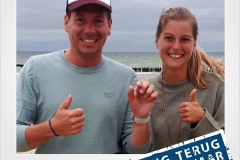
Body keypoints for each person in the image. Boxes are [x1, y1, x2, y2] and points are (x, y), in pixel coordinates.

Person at [16, 0, 158, 154]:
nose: (89, 30)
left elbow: (136, 151)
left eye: (97, 21)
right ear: (66, 22)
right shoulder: (35, 69)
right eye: (80, 20)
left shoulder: (126, 78)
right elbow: (12, 139)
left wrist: (141, 119)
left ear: (109, 25)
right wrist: (52, 128)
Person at [148, 7, 224, 151]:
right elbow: (136, 151)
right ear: (157, 41)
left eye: (184, 39)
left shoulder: (217, 87)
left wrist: (202, 119)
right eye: (169, 38)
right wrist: (139, 117)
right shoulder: (146, 92)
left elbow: (229, 149)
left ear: (194, 45)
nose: (176, 47)